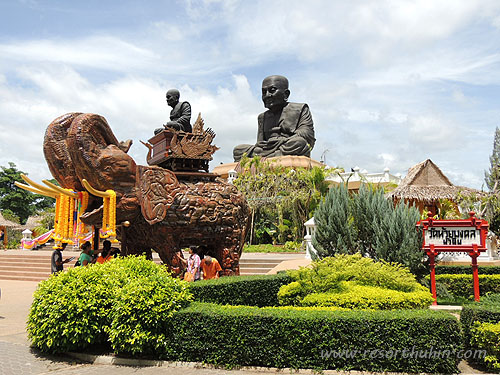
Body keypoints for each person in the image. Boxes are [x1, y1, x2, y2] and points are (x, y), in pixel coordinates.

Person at [233, 75, 315, 161]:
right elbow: (259, 143)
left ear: (286, 94)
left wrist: (281, 140)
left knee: (299, 143)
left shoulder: (300, 109)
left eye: (272, 91)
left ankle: (268, 158)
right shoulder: (262, 117)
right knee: (238, 150)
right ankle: (274, 157)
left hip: (287, 145)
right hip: (267, 149)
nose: (267, 95)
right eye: (264, 92)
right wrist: (266, 145)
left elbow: (307, 135)